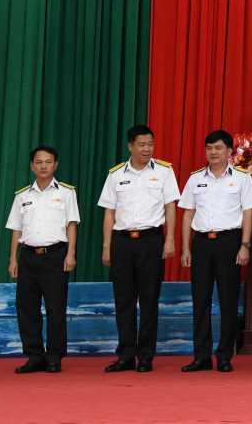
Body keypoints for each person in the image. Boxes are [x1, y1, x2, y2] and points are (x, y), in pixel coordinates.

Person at [98, 124, 180, 373]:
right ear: (130, 146)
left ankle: (146, 356)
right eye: (142, 145)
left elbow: (170, 207)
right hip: (122, 241)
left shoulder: (164, 171)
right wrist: (106, 246)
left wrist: (170, 240)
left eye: (150, 144)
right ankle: (125, 355)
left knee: (149, 299)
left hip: (151, 241)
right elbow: (109, 213)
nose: (147, 149)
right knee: (123, 300)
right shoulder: (115, 175)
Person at [179, 130, 252, 373]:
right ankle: (201, 356)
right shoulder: (195, 179)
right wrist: (185, 247)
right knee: (200, 301)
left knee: (228, 300)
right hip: (202, 243)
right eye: (209, 148)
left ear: (229, 152)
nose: (213, 153)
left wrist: (244, 245)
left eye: (219, 148)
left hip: (229, 242)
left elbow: (248, 213)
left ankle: (224, 355)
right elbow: (188, 213)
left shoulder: (243, 179)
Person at [6, 145, 79, 374]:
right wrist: (13, 259)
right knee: (26, 308)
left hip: (55, 255)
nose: (43, 166)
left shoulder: (66, 193)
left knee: (55, 308)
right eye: (39, 162)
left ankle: (54, 356)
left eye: (48, 162)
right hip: (28, 257)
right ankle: (34, 355)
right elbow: (16, 230)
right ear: (32, 166)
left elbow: (72, 225)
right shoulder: (22, 196)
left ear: (55, 165)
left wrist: (71, 254)